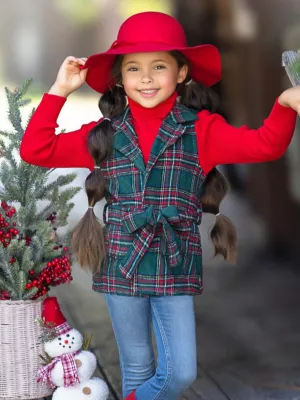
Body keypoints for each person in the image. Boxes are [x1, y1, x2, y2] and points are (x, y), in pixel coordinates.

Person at [20, 11, 299, 400]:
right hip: (120, 261)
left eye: (159, 66)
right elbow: (36, 149)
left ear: (182, 73)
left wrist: (285, 103)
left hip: (174, 261)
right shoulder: (104, 135)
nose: (146, 78)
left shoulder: (202, 130)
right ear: (120, 77)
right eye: (133, 68)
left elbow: (266, 144)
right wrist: (58, 91)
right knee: (137, 366)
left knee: (180, 372)